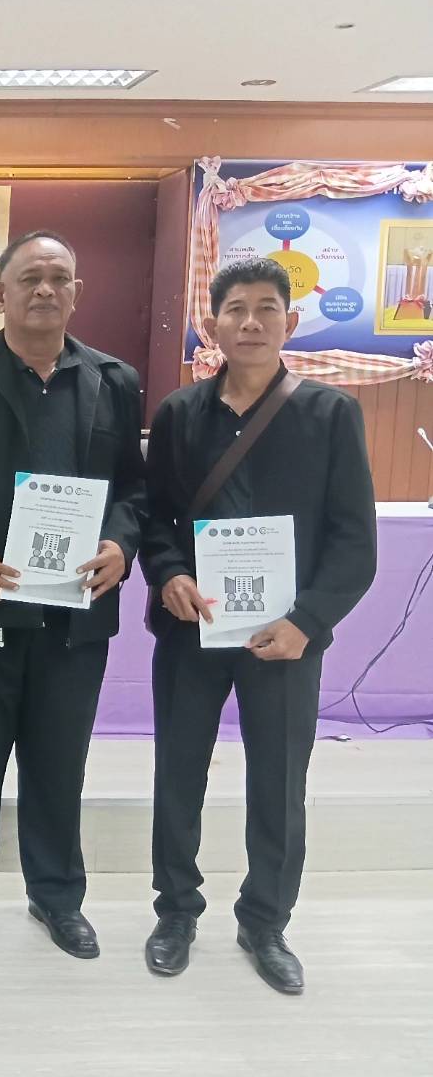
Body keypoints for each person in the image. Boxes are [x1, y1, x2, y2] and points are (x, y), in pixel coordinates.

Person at [0, 230, 146, 959]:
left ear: (77, 292)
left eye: (59, 278)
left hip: (73, 616)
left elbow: (134, 492)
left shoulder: (114, 379)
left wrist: (120, 545)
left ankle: (55, 898)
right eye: (30, 278)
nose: (45, 290)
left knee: (57, 763)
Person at [141, 257, 376, 994]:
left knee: (278, 783)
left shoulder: (330, 414)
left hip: (284, 638)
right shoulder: (179, 415)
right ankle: (175, 911)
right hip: (192, 627)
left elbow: (352, 540)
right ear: (211, 324)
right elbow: (154, 521)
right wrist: (169, 572)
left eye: (265, 309)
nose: (249, 322)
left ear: (289, 322)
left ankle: (264, 921)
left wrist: (306, 621)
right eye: (234, 308)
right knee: (177, 775)